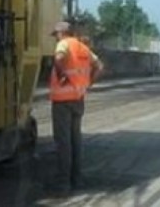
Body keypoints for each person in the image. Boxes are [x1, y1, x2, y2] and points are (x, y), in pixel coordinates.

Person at [49, 21, 103, 194]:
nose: (56, 37)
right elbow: (99, 66)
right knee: (75, 140)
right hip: (78, 99)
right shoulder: (82, 47)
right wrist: (88, 83)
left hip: (62, 101)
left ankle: (63, 184)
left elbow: (59, 59)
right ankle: (77, 179)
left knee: (63, 142)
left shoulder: (63, 44)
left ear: (62, 33)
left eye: (56, 34)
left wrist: (61, 75)